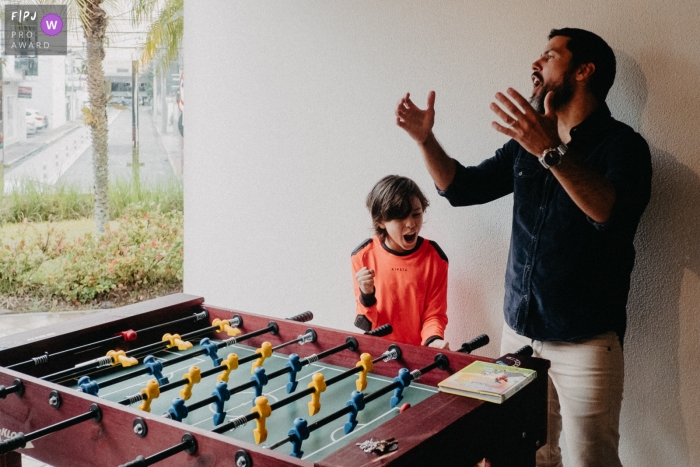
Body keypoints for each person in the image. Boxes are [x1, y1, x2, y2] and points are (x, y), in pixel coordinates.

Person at [395, 28, 652, 467]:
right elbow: (462, 187)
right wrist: (425, 140)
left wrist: (549, 150)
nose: (535, 63)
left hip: (586, 342)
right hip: (519, 333)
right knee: (525, 453)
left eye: (550, 55)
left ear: (583, 71)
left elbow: (608, 213)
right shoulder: (525, 144)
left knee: (593, 458)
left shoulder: (623, 145)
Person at [352, 175, 450, 349]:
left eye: (416, 214)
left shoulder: (435, 257)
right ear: (381, 222)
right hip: (377, 354)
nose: (411, 223)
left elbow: (434, 314)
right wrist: (366, 295)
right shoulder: (363, 255)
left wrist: (433, 340)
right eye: (400, 217)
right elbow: (364, 323)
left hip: (418, 354)